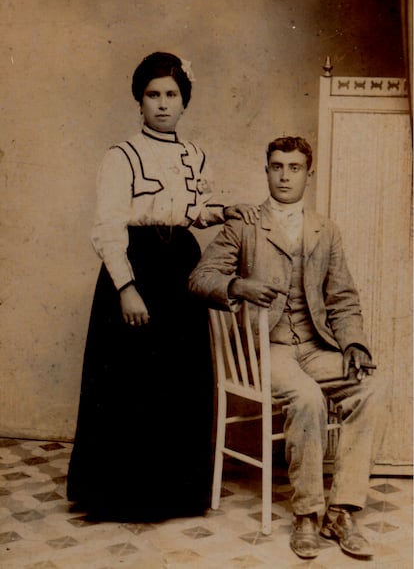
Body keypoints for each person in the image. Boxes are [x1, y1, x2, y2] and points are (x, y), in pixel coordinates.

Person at [67, 51, 258, 522]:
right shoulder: (121, 156)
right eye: (153, 95)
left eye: (171, 94)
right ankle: (120, 495)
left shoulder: (194, 154)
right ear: (139, 100)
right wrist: (126, 288)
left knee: (179, 378)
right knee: (131, 380)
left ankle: (176, 493)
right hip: (136, 265)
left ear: (184, 100)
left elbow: (192, 210)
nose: (162, 104)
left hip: (181, 268)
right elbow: (108, 226)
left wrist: (223, 210)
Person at [189, 136, 385, 560]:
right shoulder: (243, 224)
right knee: (307, 397)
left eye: (294, 168)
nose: (284, 175)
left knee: (369, 389)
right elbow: (199, 278)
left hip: (315, 346)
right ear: (266, 171)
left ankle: (342, 510)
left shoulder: (325, 230)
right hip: (268, 348)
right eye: (277, 166)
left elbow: (343, 298)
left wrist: (353, 343)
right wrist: (236, 285)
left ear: (307, 175)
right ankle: (307, 514)